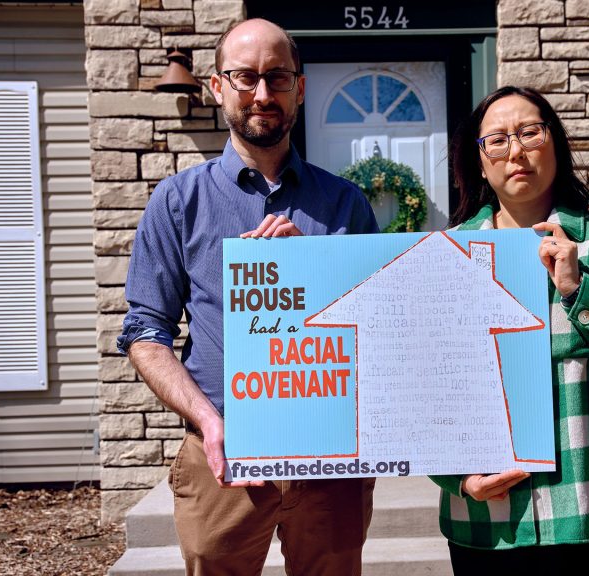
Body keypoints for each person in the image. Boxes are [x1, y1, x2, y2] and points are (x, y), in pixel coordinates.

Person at [117, 18, 379, 576]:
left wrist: (309, 265)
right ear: (216, 86)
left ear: (299, 89)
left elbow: (378, 325)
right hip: (224, 457)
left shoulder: (345, 204)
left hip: (328, 456)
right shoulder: (177, 201)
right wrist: (210, 422)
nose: (262, 94)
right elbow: (145, 331)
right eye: (245, 77)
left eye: (278, 77)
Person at [430, 86, 589, 575]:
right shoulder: (448, 256)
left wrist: (581, 291)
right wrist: (457, 479)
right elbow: (422, 391)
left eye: (530, 132)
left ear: (556, 143)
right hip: (487, 522)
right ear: (480, 161)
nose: (516, 150)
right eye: (497, 140)